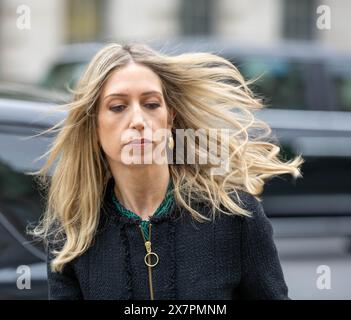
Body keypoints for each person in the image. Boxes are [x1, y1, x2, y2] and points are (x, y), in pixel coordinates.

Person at [29, 42, 304, 300]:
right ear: (94, 123)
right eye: (117, 107)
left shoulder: (235, 213)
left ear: (169, 117)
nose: (138, 120)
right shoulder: (70, 233)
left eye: (151, 104)